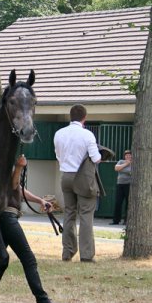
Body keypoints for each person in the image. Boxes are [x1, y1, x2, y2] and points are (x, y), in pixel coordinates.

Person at [0, 155, 70, 303]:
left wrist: (39, 200)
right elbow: (13, 185)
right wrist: (18, 167)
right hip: (7, 217)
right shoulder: (2, 163)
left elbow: (19, 189)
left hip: (4, 217)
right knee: (28, 259)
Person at [53, 104, 101, 263]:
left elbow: (58, 156)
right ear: (84, 118)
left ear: (70, 116)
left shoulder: (59, 133)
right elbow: (96, 158)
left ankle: (67, 252)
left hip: (66, 175)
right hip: (83, 177)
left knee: (69, 214)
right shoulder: (87, 135)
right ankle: (86, 255)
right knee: (86, 214)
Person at [110, 150, 132, 225]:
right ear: (124, 156)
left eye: (129, 155)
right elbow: (116, 168)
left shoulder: (134, 163)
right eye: (126, 155)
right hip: (120, 184)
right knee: (118, 203)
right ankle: (116, 220)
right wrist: (126, 164)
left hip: (129, 185)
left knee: (128, 203)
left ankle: (126, 220)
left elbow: (131, 172)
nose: (128, 156)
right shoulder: (121, 161)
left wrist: (122, 169)